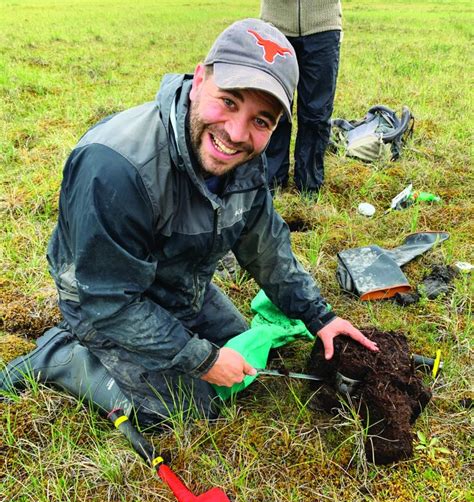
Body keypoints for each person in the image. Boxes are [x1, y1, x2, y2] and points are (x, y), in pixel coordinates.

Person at [0, 18, 376, 430]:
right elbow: (108, 299)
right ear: (199, 80)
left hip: (178, 285)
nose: (236, 133)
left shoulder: (246, 163)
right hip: (103, 302)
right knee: (188, 410)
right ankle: (67, 357)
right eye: (229, 101)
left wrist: (319, 317)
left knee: (241, 356)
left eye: (261, 120)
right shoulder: (116, 167)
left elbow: (266, 250)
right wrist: (204, 359)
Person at [260, 1, 342, 195]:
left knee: (317, 113)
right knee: (273, 109)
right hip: (275, 26)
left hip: (323, 26)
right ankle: (271, 183)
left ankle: (309, 184)